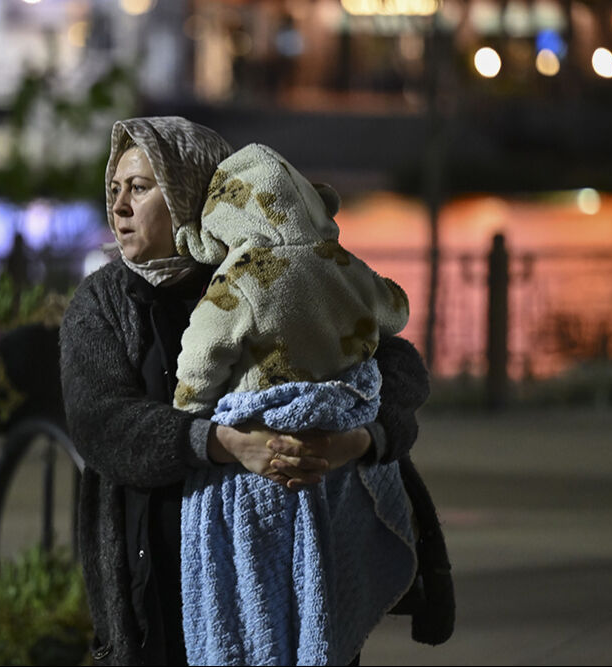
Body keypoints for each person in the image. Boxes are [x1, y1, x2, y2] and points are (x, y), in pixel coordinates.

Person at [59, 116, 433, 666]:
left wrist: (357, 439)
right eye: (114, 190)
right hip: (155, 578)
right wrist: (224, 443)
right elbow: (102, 423)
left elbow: (398, 372)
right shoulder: (103, 304)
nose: (118, 207)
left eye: (139, 187)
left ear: (191, 191)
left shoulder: (276, 272)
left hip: (294, 571)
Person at [172, 142, 416, 665]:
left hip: (262, 460)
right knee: (321, 599)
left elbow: (200, 360)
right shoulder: (344, 266)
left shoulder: (241, 277)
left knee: (258, 610)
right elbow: (396, 309)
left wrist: (188, 409)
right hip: (334, 452)